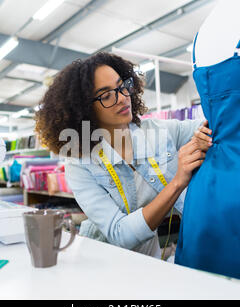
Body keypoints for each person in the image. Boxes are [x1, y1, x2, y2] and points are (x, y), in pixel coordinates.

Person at [35, 52, 212, 259]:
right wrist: (177, 182)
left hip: (148, 260)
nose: (122, 98)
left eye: (121, 86)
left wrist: (202, 136)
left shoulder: (156, 130)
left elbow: (214, 126)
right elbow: (120, 234)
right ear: (84, 109)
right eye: (106, 95)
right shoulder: (80, 164)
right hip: (102, 262)